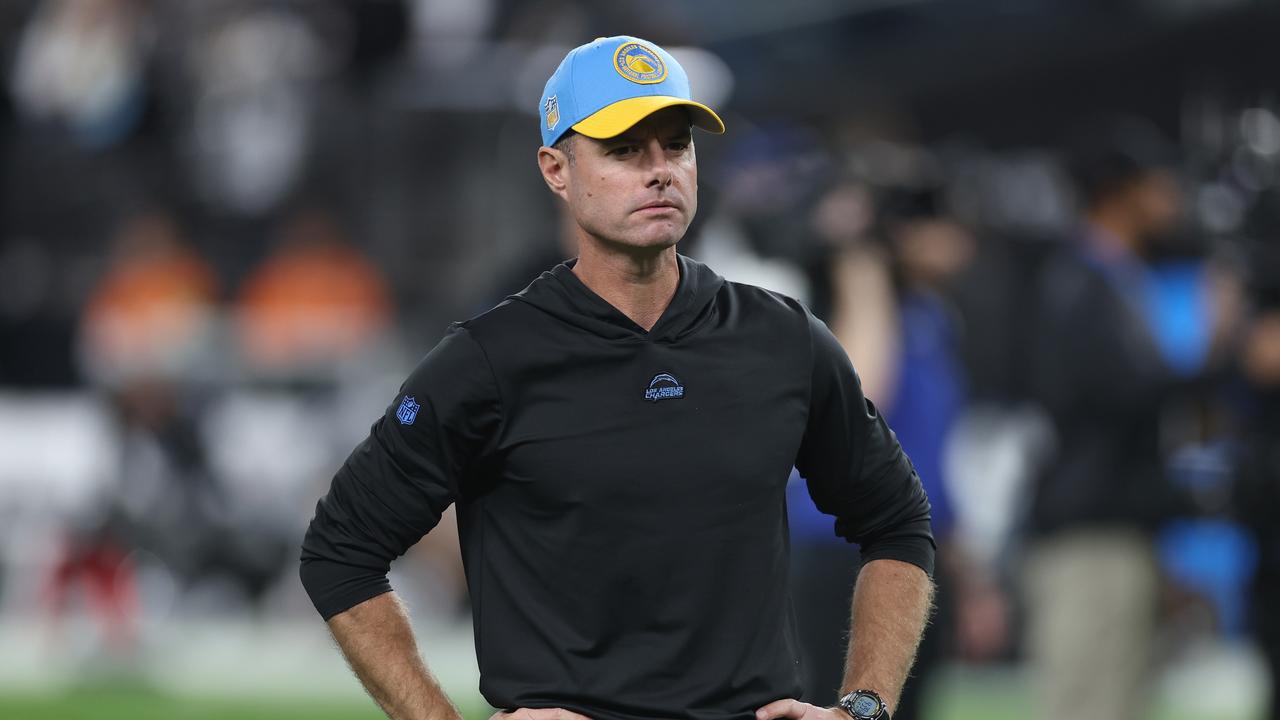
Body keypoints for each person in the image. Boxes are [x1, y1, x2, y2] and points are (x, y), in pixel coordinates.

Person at [299, 36, 935, 720]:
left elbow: (897, 521)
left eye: (675, 145)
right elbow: (341, 551)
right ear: (556, 170)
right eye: (625, 150)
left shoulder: (783, 338)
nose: (659, 171)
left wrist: (863, 706)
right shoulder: (490, 357)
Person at [1024, 119, 1191, 720]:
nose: (1171, 200)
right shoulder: (1078, 280)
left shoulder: (1115, 276)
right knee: (1085, 703)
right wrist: (1219, 358)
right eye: (1158, 185)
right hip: (1085, 528)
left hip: (1117, 520)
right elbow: (1110, 395)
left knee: (1119, 700)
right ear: (1120, 191)